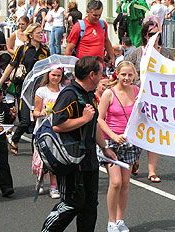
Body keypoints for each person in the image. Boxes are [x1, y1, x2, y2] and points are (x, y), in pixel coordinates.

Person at [41, 56, 117, 231]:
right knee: (72, 204)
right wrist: (84, 118)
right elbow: (58, 125)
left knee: (90, 206)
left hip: (89, 160)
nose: (103, 75)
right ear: (92, 75)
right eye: (101, 72)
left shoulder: (90, 94)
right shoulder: (69, 95)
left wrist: (104, 148)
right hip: (71, 161)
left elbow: (94, 123)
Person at [125, 20, 173, 182]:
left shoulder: (166, 54)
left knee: (154, 134)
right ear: (145, 36)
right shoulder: (137, 53)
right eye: (152, 34)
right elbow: (126, 71)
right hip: (137, 98)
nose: (155, 37)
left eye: (158, 34)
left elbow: (174, 75)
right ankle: (134, 159)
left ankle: (152, 171)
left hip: (158, 100)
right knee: (136, 131)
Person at [98, 61, 142, 232]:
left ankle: (120, 219)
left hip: (130, 143)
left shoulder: (137, 91)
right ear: (117, 74)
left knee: (125, 183)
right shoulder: (109, 93)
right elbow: (100, 119)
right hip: (112, 143)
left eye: (130, 75)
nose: (127, 78)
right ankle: (110, 221)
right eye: (123, 74)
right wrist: (114, 136)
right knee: (115, 182)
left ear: (134, 76)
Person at [0, 23, 49, 155]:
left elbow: (49, 69)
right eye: (38, 32)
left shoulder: (45, 51)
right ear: (31, 35)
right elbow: (11, 65)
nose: (41, 34)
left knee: (37, 119)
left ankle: (35, 149)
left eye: (41, 32)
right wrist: (0, 83)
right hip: (24, 89)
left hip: (39, 89)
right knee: (25, 121)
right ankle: (15, 139)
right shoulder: (23, 49)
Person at [32, 66, 63, 199]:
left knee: (54, 159)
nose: (55, 78)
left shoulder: (63, 91)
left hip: (57, 130)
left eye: (58, 75)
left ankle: (53, 187)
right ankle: (40, 181)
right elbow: (35, 113)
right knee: (41, 158)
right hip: (42, 130)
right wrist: (42, 113)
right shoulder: (41, 91)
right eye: (53, 75)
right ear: (48, 75)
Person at [65, 0, 115, 66]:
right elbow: (69, 50)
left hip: (99, 67)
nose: (97, 18)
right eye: (95, 15)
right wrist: (69, 68)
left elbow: (106, 41)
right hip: (84, 68)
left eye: (99, 15)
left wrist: (112, 57)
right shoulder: (79, 27)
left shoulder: (103, 24)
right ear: (87, 12)